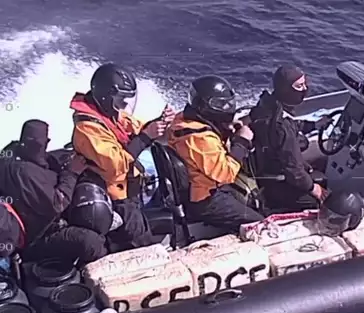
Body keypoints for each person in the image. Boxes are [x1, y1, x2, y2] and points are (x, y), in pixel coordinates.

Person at [70, 63, 175, 252]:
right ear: (105, 96)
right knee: (142, 245)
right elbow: (115, 165)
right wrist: (146, 137)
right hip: (117, 198)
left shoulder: (113, 115)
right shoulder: (87, 128)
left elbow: (138, 130)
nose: (124, 105)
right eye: (120, 99)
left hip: (131, 188)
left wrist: (161, 125)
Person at [0, 120, 108, 263]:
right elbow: (58, 202)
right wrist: (71, 172)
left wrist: (69, 157)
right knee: (91, 242)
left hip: (33, 218)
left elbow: (45, 160)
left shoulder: (11, 154)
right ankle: (95, 275)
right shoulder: (24, 173)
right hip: (36, 239)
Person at [167, 75, 264, 233]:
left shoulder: (182, 121)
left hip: (197, 188)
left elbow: (205, 149)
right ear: (204, 106)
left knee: (253, 201)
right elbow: (226, 174)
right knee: (259, 224)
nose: (227, 108)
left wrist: (224, 131)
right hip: (206, 199)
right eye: (220, 104)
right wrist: (242, 142)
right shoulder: (200, 139)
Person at [249, 65, 331, 213]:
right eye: (299, 86)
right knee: (321, 202)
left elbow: (293, 125)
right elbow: (295, 172)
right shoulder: (282, 127)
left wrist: (314, 125)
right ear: (285, 89)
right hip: (278, 183)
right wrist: (315, 189)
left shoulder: (268, 105)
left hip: (265, 169)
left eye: (305, 84)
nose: (305, 89)